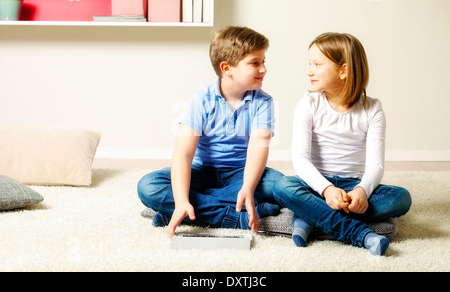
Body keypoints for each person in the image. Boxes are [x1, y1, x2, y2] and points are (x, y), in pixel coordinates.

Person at [273, 32, 412, 256]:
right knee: (282, 187)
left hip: (351, 187)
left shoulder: (372, 108)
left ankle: (310, 216)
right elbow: (300, 158)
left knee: (401, 198)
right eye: (310, 63)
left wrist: (362, 191)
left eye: (317, 64)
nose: (310, 70)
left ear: (343, 70)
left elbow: (375, 165)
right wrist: (327, 190)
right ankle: (361, 234)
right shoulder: (308, 104)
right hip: (315, 186)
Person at [138, 26, 283, 238]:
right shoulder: (201, 100)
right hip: (203, 172)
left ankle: (185, 208)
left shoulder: (263, 101)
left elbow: (258, 148)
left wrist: (248, 187)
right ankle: (232, 217)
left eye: (263, 62)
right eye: (255, 63)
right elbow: (183, 155)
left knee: (280, 186)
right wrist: (180, 200)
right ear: (227, 68)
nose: (263, 69)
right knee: (148, 186)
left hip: (241, 173)